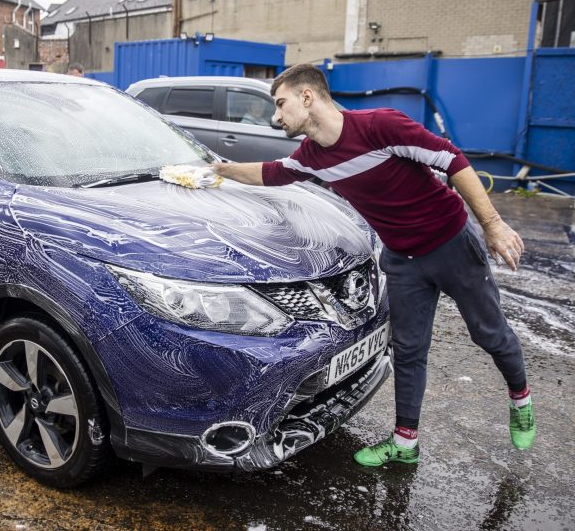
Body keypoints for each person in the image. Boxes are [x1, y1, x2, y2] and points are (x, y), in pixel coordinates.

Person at [210, 64, 536, 466]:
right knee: (409, 350)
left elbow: (452, 160)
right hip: (403, 259)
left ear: (307, 97)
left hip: (451, 243)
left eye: (281, 104)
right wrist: (219, 171)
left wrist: (493, 224)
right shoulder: (312, 157)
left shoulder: (380, 126)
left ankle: (520, 397)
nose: (276, 116)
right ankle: (405, 443)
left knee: (489, 334)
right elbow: (271, 173)